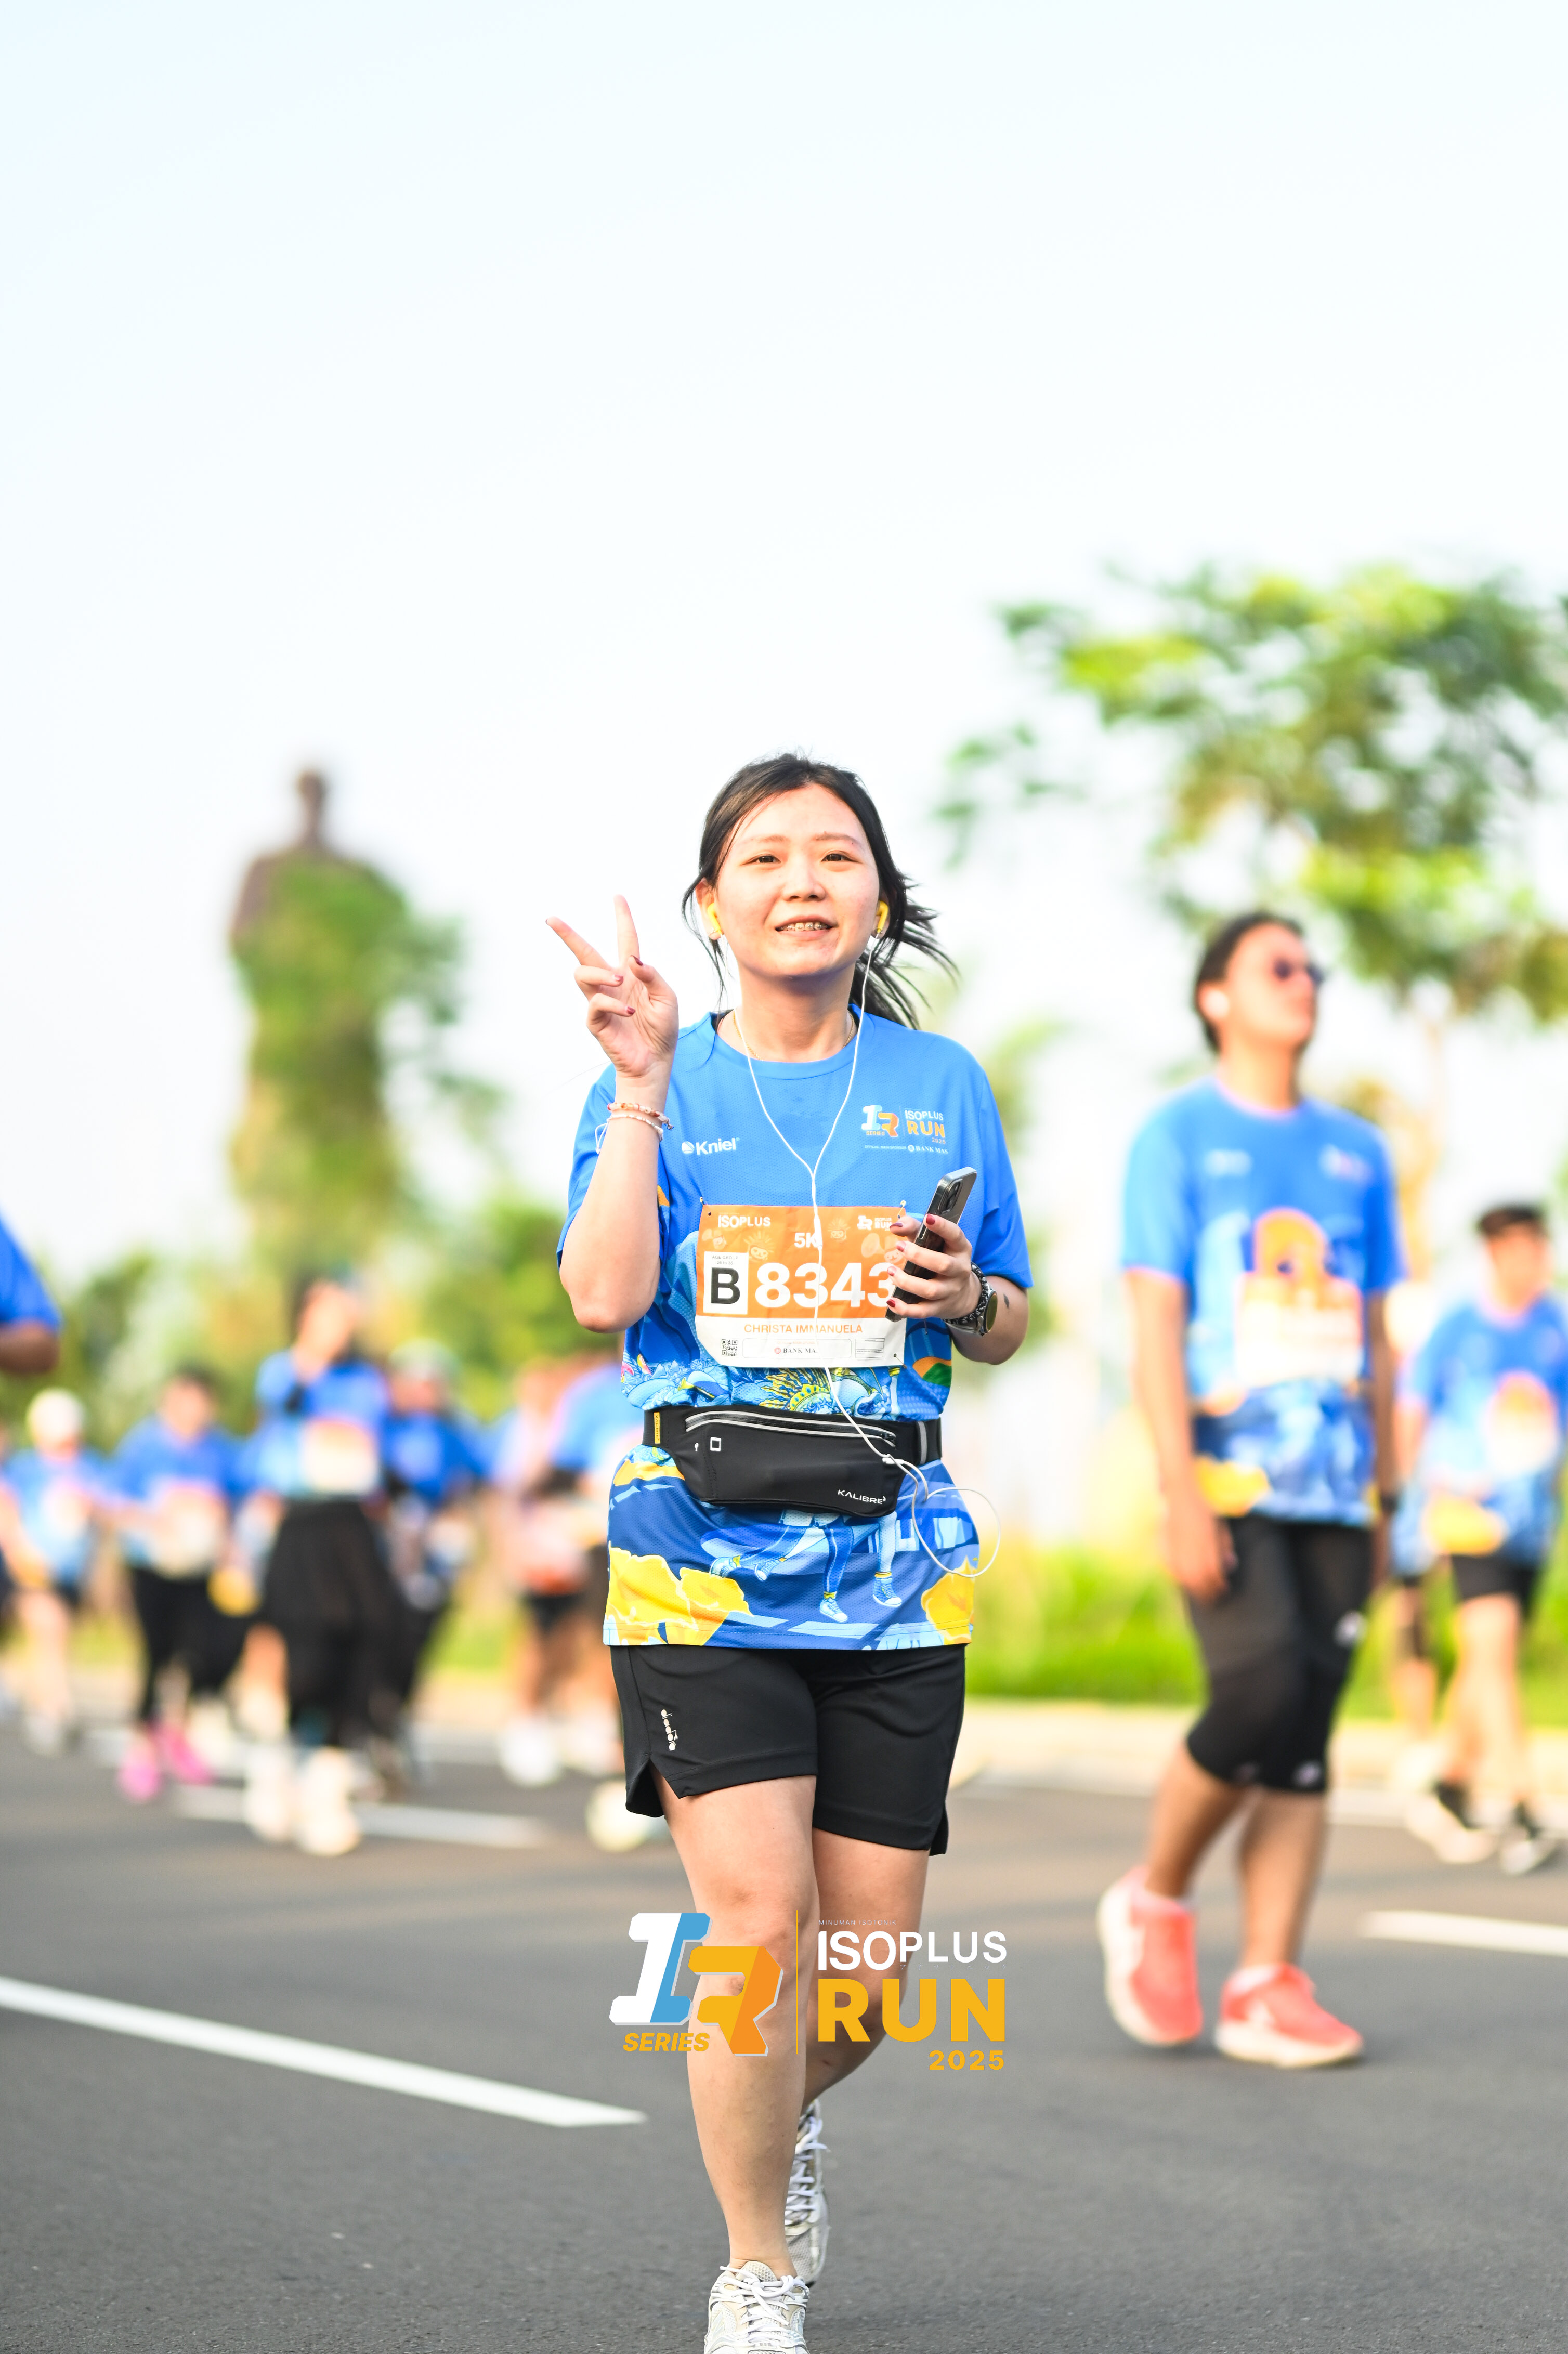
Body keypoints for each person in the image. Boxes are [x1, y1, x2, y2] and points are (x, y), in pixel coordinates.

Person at [551, 754, 1031, 2352]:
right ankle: (756, 2268)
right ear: (713, 904)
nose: (803, 880)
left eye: (835, 856)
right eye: (765, 858)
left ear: (876, 903)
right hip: (695, 1566)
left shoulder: (942, 1082)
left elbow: (1010, 1316)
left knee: (868, 1978)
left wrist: (966, 1296)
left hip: (894, 1571)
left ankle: (778, 2113)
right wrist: (637, 1082)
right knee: (758, 1926)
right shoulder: (656, 1078)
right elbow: (602, 1297)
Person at [1099, 910, 1402, 2070]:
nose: (1304, 979)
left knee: (1306, 1729)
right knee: (1259, 1683)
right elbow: (1155, 1320)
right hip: (1227, 1472)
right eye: (1278, 964)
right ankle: (1155, 1893)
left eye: (1312, 965)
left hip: (1337, 1484)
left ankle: (1266, 1981)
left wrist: (1388, 1489)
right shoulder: (1175, 1134)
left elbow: (1376, 1328)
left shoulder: (1357, 1150)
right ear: (1215, 995)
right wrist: (1177, 1486)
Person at [1397, 1204, 1566, 1874]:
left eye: (1540, 1249)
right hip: (1467, 1515)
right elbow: (1413, 1411)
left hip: (1530, 1519)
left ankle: (1450, 1780)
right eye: (1521, 1251)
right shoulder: (1457, 1328)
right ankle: (1525, 1803)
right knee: (1491, 1645)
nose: (1534, 1263)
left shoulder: (1554, 1327)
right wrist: (1409, 1501)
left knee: (1488, 1655)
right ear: (1495, 1254)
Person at [242, 1273, 396, 1856]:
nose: (342, 1324)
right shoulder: (282, 1371)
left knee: (364, 1637)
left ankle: (327, 1784)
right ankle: (278, 1758)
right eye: (330, 1312)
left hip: (352, 1522)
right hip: (301, 1521)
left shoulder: (366, 1382)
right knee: (304, 1646)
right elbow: (282, 1408)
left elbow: (376, 1450)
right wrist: (312, 1361)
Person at [108, 1367, 249, 1803]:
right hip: (153, 1567)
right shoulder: (143, 1445)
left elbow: (239, 1503)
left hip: (201, 1572)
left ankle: (178, 1735)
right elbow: (114, 1503)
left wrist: (225, 1539)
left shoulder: (221, 1450)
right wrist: (157, 1520)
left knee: (197, 1652)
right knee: (156, 1653)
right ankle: (142, 1746)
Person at [489, 1355, 609, 1787]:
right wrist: (510, 1550)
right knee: (539, 1635)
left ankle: (571, 1713)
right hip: (539, 1549)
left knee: (578, 1634)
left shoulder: (572, 1425)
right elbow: (511, 1492)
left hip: (578, 1544)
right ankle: (524, 1717)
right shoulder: (520, 1431)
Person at [382, 1339, 488, 1735]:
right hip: (393, 1540)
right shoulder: (386, 1426)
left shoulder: (456, 1430)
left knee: (422, 1627)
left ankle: (401, 1708)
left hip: (436, 1544)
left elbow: (475, 1482)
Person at [0, 1390, 108, 1753]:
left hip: (71, 1573)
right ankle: (56, 1706)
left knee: (54, 1635)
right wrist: (20, 1552)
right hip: (32, 1568)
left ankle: (41, 1699)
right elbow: (7, 1511)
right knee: (49, 1627)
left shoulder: (91, 1466)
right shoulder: (25, 1469)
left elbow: (110, 1509)